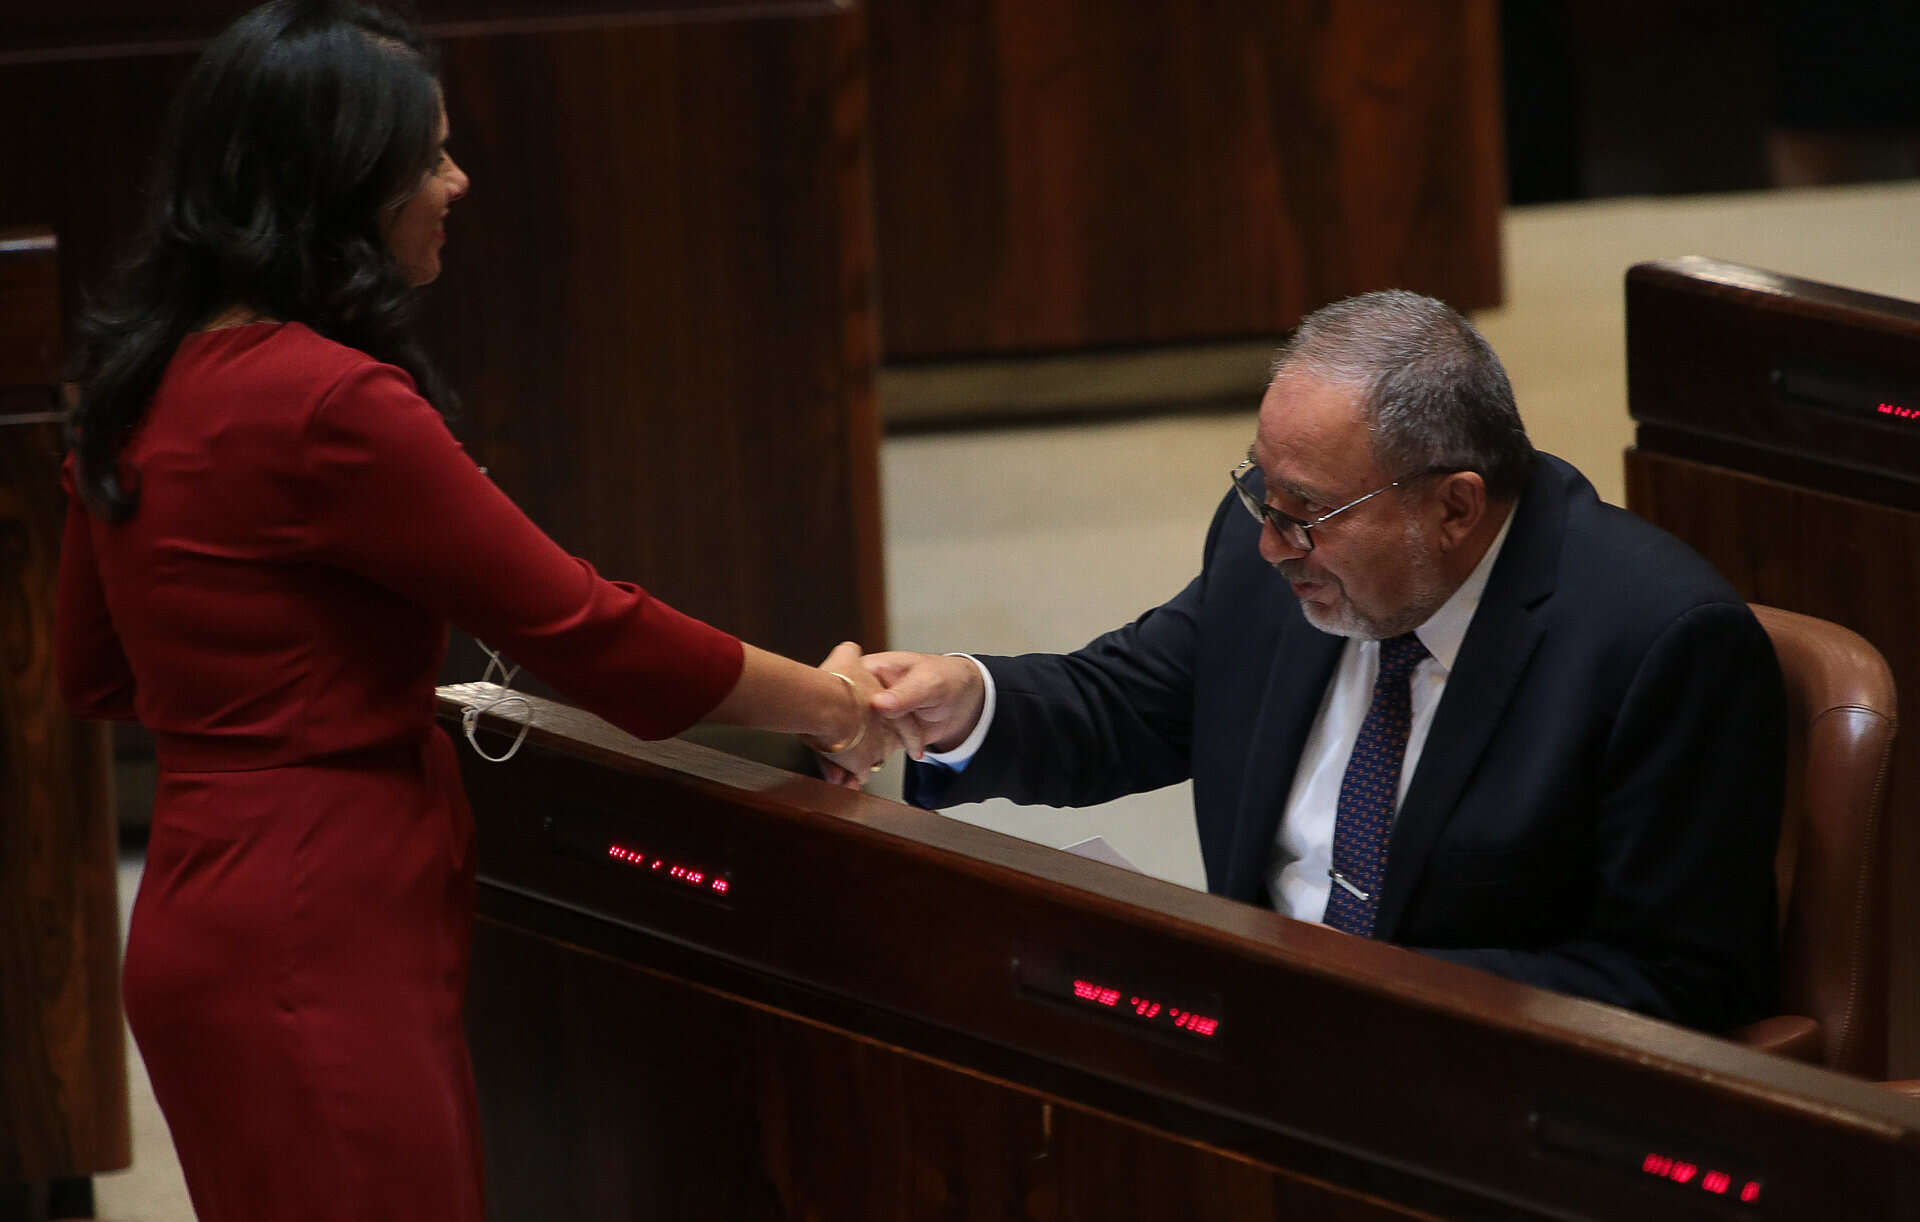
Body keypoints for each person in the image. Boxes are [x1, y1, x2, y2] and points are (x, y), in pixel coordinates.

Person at [54, 3, 901, 1219]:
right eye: (432, 155)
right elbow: (593, 632)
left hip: (196, 921)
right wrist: (834, 702)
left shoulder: (141, 380)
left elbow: (97, 672)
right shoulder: (332, 405)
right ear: (342, 183)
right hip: (319, 929)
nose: (457, 181)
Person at [838, 290, 1786, 1034]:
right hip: (1253, 1033)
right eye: (1261, 489)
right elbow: (1129, 702)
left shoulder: (1660, 645)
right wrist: (971, 701)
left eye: (1306, 512)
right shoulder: (1281, 552)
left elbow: (1677, 981)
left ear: (1455, 508)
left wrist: (1346, 994)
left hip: (1463, 1083)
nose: (1270, 542)